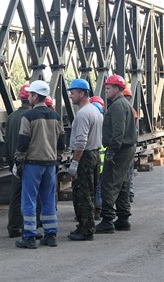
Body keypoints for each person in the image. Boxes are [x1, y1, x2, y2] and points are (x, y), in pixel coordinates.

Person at [14, 80, 65, 249]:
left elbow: (22, 141)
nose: (28, 97)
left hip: (33, 163)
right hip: (50, 164)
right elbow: (62, 142)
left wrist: (18, 160)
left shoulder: (28, 116)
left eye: (30, 94)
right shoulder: (56, 117)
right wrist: (57, 157)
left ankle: (29, 236)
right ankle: (51, 235)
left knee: (29, 200)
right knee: (49, 199)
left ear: (35, 96)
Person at [95, 75, 136, 233]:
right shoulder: (124, 104)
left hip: (119, 150)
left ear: (118, 89)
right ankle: (123, 218)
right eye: (106, 87)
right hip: (126, 149)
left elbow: (118, 132)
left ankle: (107, 220)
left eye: (109, 87)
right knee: (123, 183)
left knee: (108, 183)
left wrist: (111, 151)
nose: (106, 90)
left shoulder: (118, 106)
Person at [66, 79, 102, 241]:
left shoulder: (82, 114)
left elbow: (81, 141)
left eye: (73, 93)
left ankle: (86, 229)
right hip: (94, 153)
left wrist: (75, 162)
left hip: (84, 155)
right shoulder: (95, 111)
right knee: (89, 191)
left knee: (82, 193)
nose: (71, 96)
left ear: (82, 93)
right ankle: (85, 225)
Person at [5, 83, 32, 238]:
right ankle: (30, 226)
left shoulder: (11, 117)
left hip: (16, 162)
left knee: (15, 195)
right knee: (32, 196)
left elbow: (7, 142)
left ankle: (13, 227)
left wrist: (11, 163)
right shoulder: (32, 116)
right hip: (30, 162)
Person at [122, 87, 139, 203]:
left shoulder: (121, 110)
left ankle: (126, 194)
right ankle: (130, 194)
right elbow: (136, 130)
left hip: (125, 147)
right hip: (132, 145)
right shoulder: (133, 111)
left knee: (125, 171)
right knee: (130, 171)